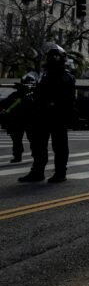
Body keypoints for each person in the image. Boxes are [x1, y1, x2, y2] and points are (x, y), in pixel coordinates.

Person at [19, 44, 76, 183]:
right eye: (51, 57)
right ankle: (38, 172)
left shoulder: (67, 77)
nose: (53, 59)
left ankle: (60, 172)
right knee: (38, 145)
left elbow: (67, 99)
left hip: (58, 116)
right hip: (42, 115)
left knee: (60, 146)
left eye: (56, 57)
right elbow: (39, 93)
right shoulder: (44, 75)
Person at [0, 73, 36, 163]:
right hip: (17, 121)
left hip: (29, 120)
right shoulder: (15, 95)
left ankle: (36, 155)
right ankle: (17, 156)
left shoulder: (34, 96)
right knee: (16, 140)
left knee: (33, 139)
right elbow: (4, 104)